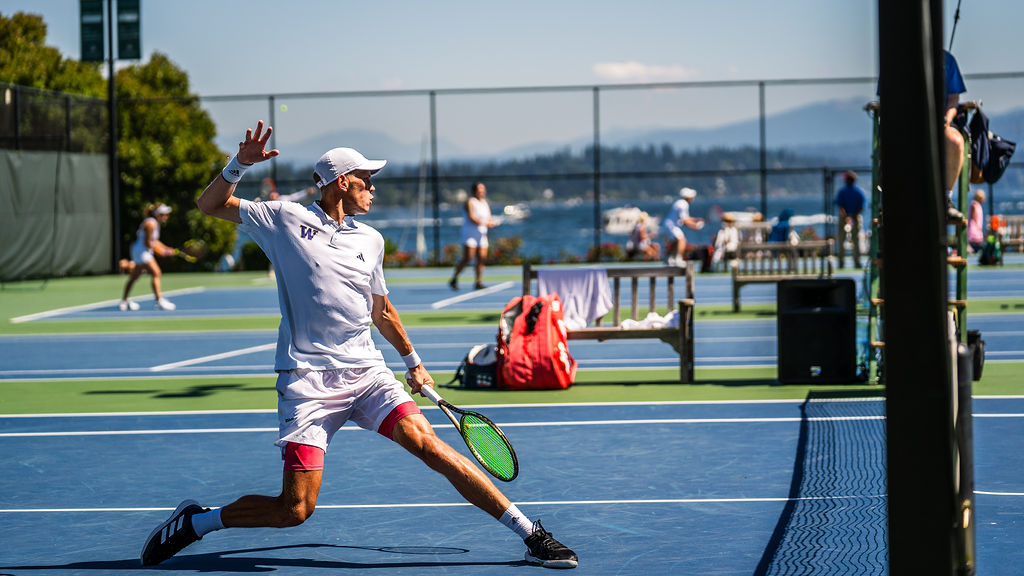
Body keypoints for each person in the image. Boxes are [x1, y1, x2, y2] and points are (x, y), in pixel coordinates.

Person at [140, 121, 577, 569]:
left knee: (430, 446)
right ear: (341, 182)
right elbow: (210, 205)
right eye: (366, 179)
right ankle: (198, 522)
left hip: (368, 375)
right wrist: (239, 164)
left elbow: (381, 311)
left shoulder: (371, 240)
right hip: (308, 382)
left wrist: (413, 361)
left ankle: (531, 535)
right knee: (295, 509)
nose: (373, 188)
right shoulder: (284, 219)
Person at [118, 203, 180, 311]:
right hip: (141, 251)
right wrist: (162, 252)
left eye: (166, 214)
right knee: (156, 273)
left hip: (140, 250)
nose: (166, 216)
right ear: (157, 214)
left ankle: (124, 301)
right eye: (163, 214)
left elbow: (155, 241)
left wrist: (167, 249)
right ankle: (159, 301)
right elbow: (148, 243)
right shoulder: (150, 224)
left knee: (135, 276)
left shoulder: (155, 224)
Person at [449, 181, 497, 290]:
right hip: (470, 234)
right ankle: (454, 278)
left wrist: (492, 223)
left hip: (482, 234)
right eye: (480, 189)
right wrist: (485, 223)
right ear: (475, 191)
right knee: (468, 258)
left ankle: (478, 282)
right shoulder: (470, 202)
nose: (482, 191)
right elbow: (472, 218)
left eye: (483, 189)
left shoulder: (485, 203)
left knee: (481, 258)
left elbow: (489, 217)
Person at [943, 50, 968, 224]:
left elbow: (953, 100)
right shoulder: (893, 56)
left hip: (940, 124)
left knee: (955, 142)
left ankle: (946, 199)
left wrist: (946, 119)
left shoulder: (947, 60)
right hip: (903, 125)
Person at [662, 187, 704, 266]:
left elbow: (686, 218)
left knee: (676, 241)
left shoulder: (680, 203)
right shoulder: (683, 204)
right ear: (688, 197)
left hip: (669, 224)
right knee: (682, 240)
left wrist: (696, 220)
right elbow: (685, 220)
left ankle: (669, 258)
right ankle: (678, 259)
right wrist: (695, 226)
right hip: (671, 225)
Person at [835, 171, 866, 268]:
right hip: (855, 217)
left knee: (841, 240)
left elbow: (840, 206)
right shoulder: (859, 192)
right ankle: (857, 262)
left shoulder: (842, 191)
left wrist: (846, 217)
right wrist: (854, 216)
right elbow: (862, 207)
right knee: (856, 240)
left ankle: (841, 262)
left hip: (844, 218)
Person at [967, 188, 986, 253]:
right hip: (974, 230)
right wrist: (978, 229)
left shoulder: (976, 204)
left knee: (977, 246)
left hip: (975, 229)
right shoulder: (975, 205)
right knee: (976, 245)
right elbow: (974, 218)